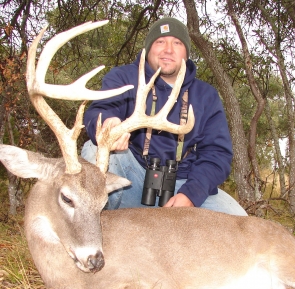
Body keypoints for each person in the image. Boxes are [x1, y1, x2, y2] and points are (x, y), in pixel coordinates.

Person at [82, 17, 247, 216]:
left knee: (239, 219)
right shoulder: (124, 77)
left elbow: (217, 154)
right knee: (94, 150)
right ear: (148, 48)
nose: (168, 49)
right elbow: (100, 110)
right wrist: (109, 124)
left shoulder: (206, 96)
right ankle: (95, 228)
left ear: (186, 52)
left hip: (183, 185)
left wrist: (191, 195)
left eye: (177, 43)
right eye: (160, 42)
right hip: (131, 179)